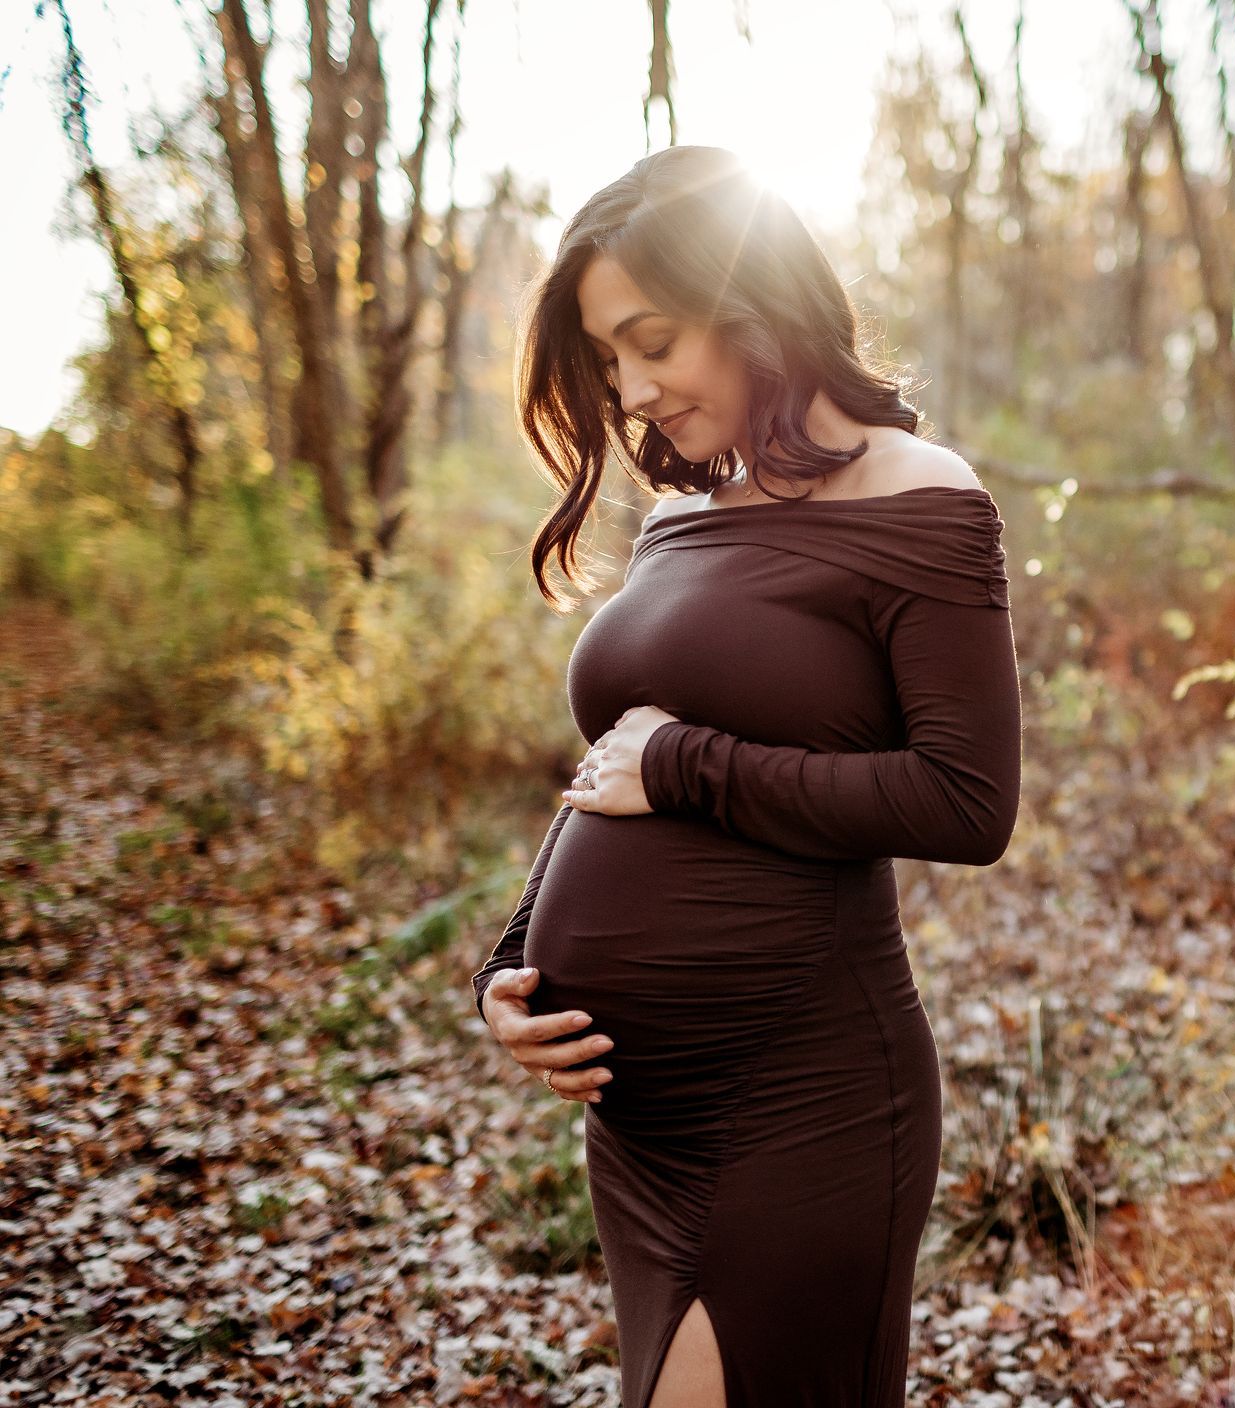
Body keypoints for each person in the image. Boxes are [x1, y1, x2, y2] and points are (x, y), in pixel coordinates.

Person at [468, 145, 1023, 1408]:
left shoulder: (924, 500)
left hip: (805, 1099)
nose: (633, 387)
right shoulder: (683, 517)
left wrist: (691, 767)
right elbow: (608, 766)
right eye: (610, 358)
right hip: (640, 1131)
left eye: (651, 339)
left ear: (755, 298)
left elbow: (965, 800)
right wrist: (508, 964)